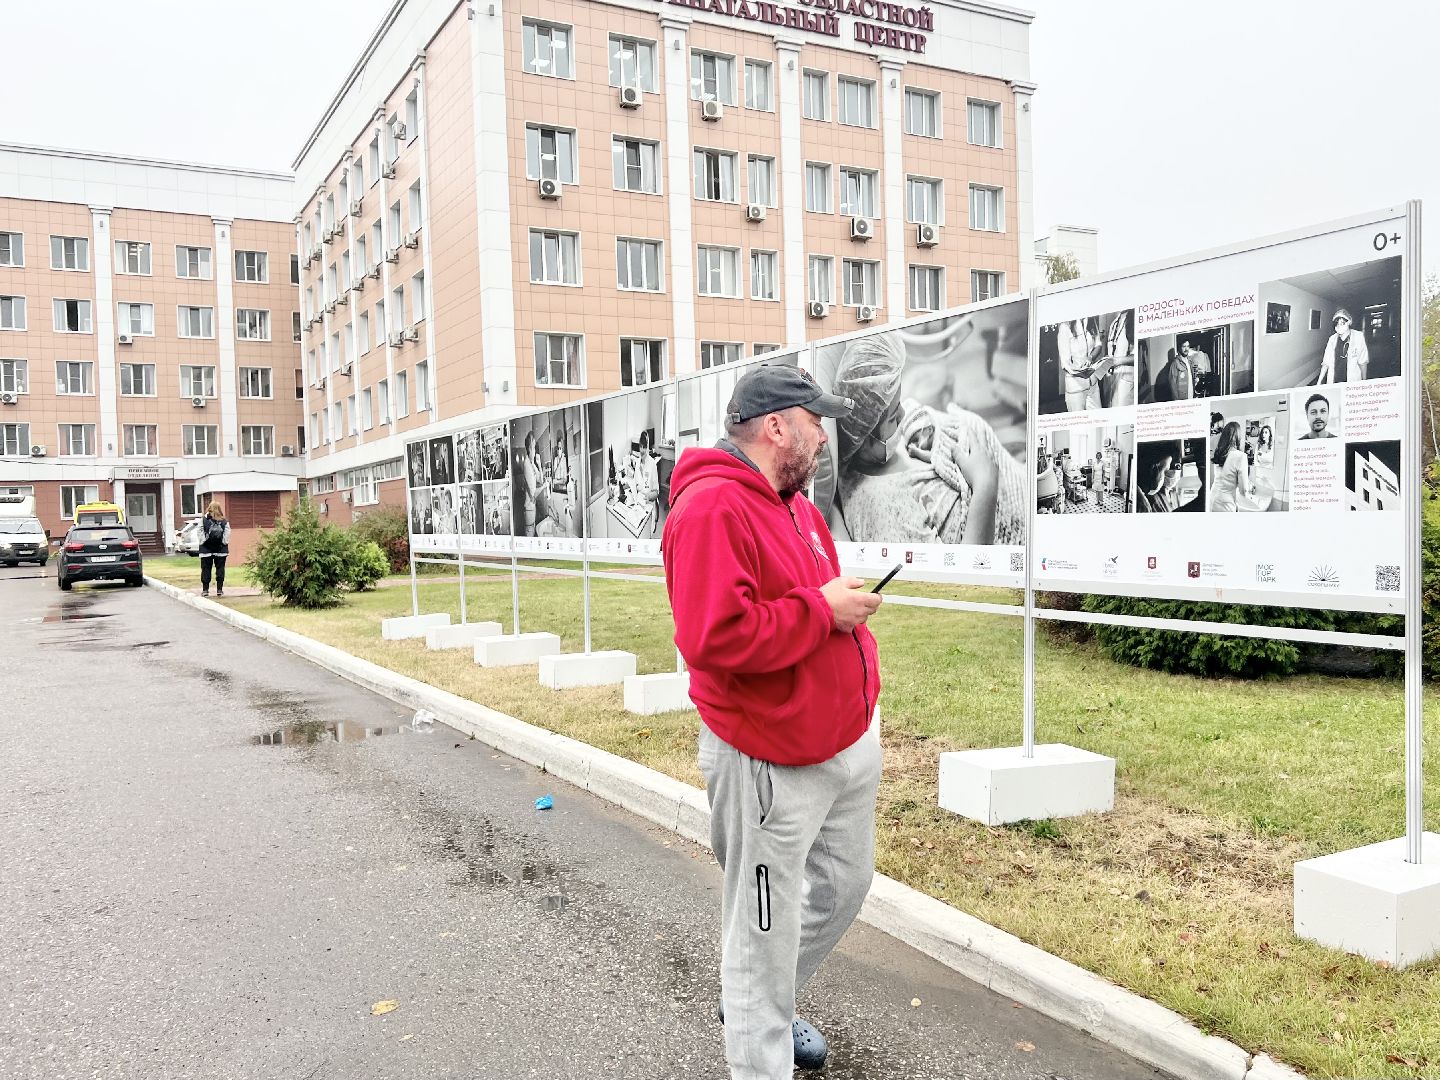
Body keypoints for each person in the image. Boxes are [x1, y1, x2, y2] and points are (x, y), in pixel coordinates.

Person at [662, 365, 883, 1079]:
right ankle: (758, 1011)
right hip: (767, 761)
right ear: (777, 426)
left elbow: (809, 602)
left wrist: (837, 615)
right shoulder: (710, 511)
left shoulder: (797, 505)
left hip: (839, 746)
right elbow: (715, 637)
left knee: (845, 887)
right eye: (816, 421)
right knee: (761, 935)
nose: (826, 435)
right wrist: (824, 611)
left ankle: (761, 1002)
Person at [825, 333, 1025, 546]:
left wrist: (930, 433)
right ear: (865, 438)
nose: (903, 413)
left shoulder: (879, 444)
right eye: (894, 417)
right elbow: (958, 577)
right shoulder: (882, 508)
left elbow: (915, 417)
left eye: (898, 402)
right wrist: (986, 485)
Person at [1319, 308, 1369, 384]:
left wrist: (1364, 382)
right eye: (1337, 324)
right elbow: (1326, 363)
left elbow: (1362, 362)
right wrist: (1318, 383)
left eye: (1342, 323)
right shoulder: (1332, 339)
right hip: (1334, 380)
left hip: (1352, 380)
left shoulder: (1358, 337)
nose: (1339, 326)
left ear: (1349, 322)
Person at [1209, 421, 1251, 512]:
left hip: (1212, 499)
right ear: (1238, 436)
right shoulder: (1241, 456)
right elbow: (1243, 491)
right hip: (1225, 505)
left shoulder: (1218, 452)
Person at [198, 502, 231, 597]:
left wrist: (204, 541)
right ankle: (219, 590)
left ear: (209, 508)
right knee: (220, 569)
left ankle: (205, 590)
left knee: (205, 569)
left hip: (206, 550)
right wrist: (223, 543)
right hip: (221, 550)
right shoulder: (224, 521)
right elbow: (227, 534)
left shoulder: (204, 520)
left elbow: (199, 531)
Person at [519, 431, 540, 535]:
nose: (535, 450)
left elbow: (539, 478)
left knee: (531, 530)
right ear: (530, 448)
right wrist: (545, 486)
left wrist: (539, 464)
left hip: (531, 507)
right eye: (534, 447)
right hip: (529, 507)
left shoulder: (531, 463)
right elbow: (533, 492)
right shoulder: (527, 464)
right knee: (530, 534)